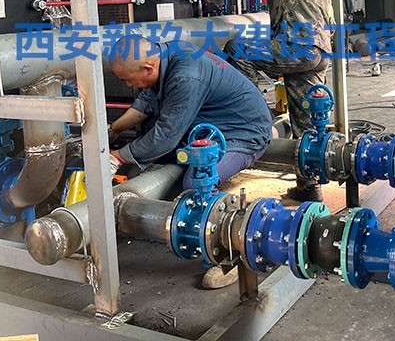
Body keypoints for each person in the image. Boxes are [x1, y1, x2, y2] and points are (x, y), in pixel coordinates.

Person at [107, 35, 272, 288]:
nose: (128, 85)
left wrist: (118, 156)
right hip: (208, 127)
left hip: (242, 134)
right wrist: (114, 130)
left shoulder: (186, 76)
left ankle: (231, 251)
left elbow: (166, 135)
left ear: (148, 68)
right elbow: (146, 103)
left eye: (128, 80)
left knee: (196, 184)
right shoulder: (165, 55)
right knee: (150, 144)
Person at [185, 0, 333, 202]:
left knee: (238, 49)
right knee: (307, 123)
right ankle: (309, 187)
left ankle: (249, 122)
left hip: (295, 47)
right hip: (319, 52)